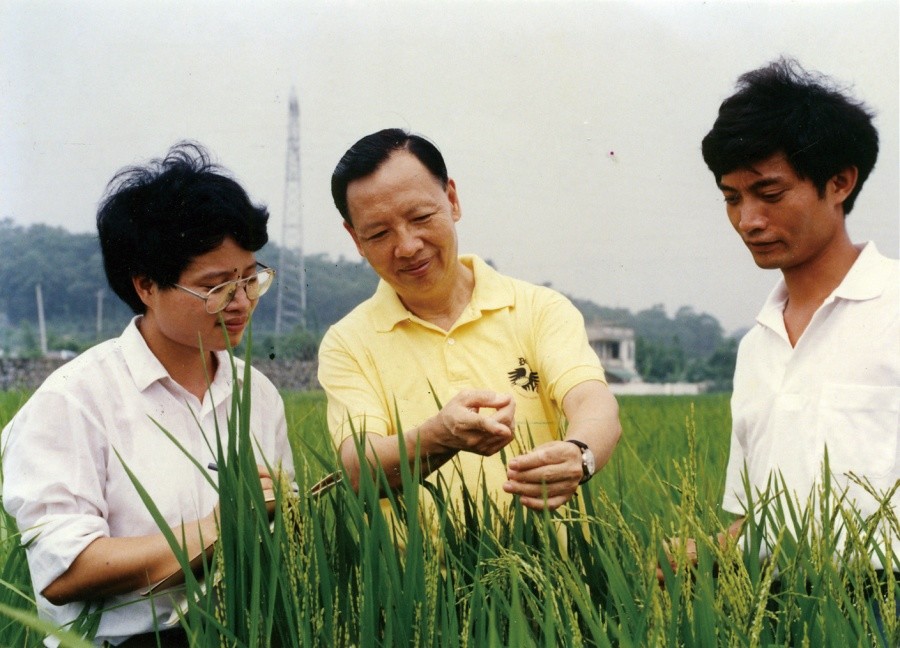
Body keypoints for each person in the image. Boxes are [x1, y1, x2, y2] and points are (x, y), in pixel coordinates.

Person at [1, 142, 295, 646]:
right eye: (217, 287)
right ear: (145, 285)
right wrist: (216, 528)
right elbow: (64, 571)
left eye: (251, 279)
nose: (242, 302)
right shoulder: (74, 400)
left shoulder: (257, 393)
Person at [664, 58, 898, 576]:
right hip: (778, 610)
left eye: (769, 194)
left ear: (839, 183)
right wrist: (706, 554)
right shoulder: (757, 348)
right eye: (732, 198)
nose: (748, 220)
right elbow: (762, 521)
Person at [318, 128, 621, 518]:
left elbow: (594, 403)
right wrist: (438, 436)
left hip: (550, 570)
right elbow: (358, 468)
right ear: (355, 238)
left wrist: (578, 453)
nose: (408, 246)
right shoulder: (347, 342)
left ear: (452, 200)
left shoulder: (538, 308)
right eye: (379, 233)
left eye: (421, 217)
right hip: (414, 579)